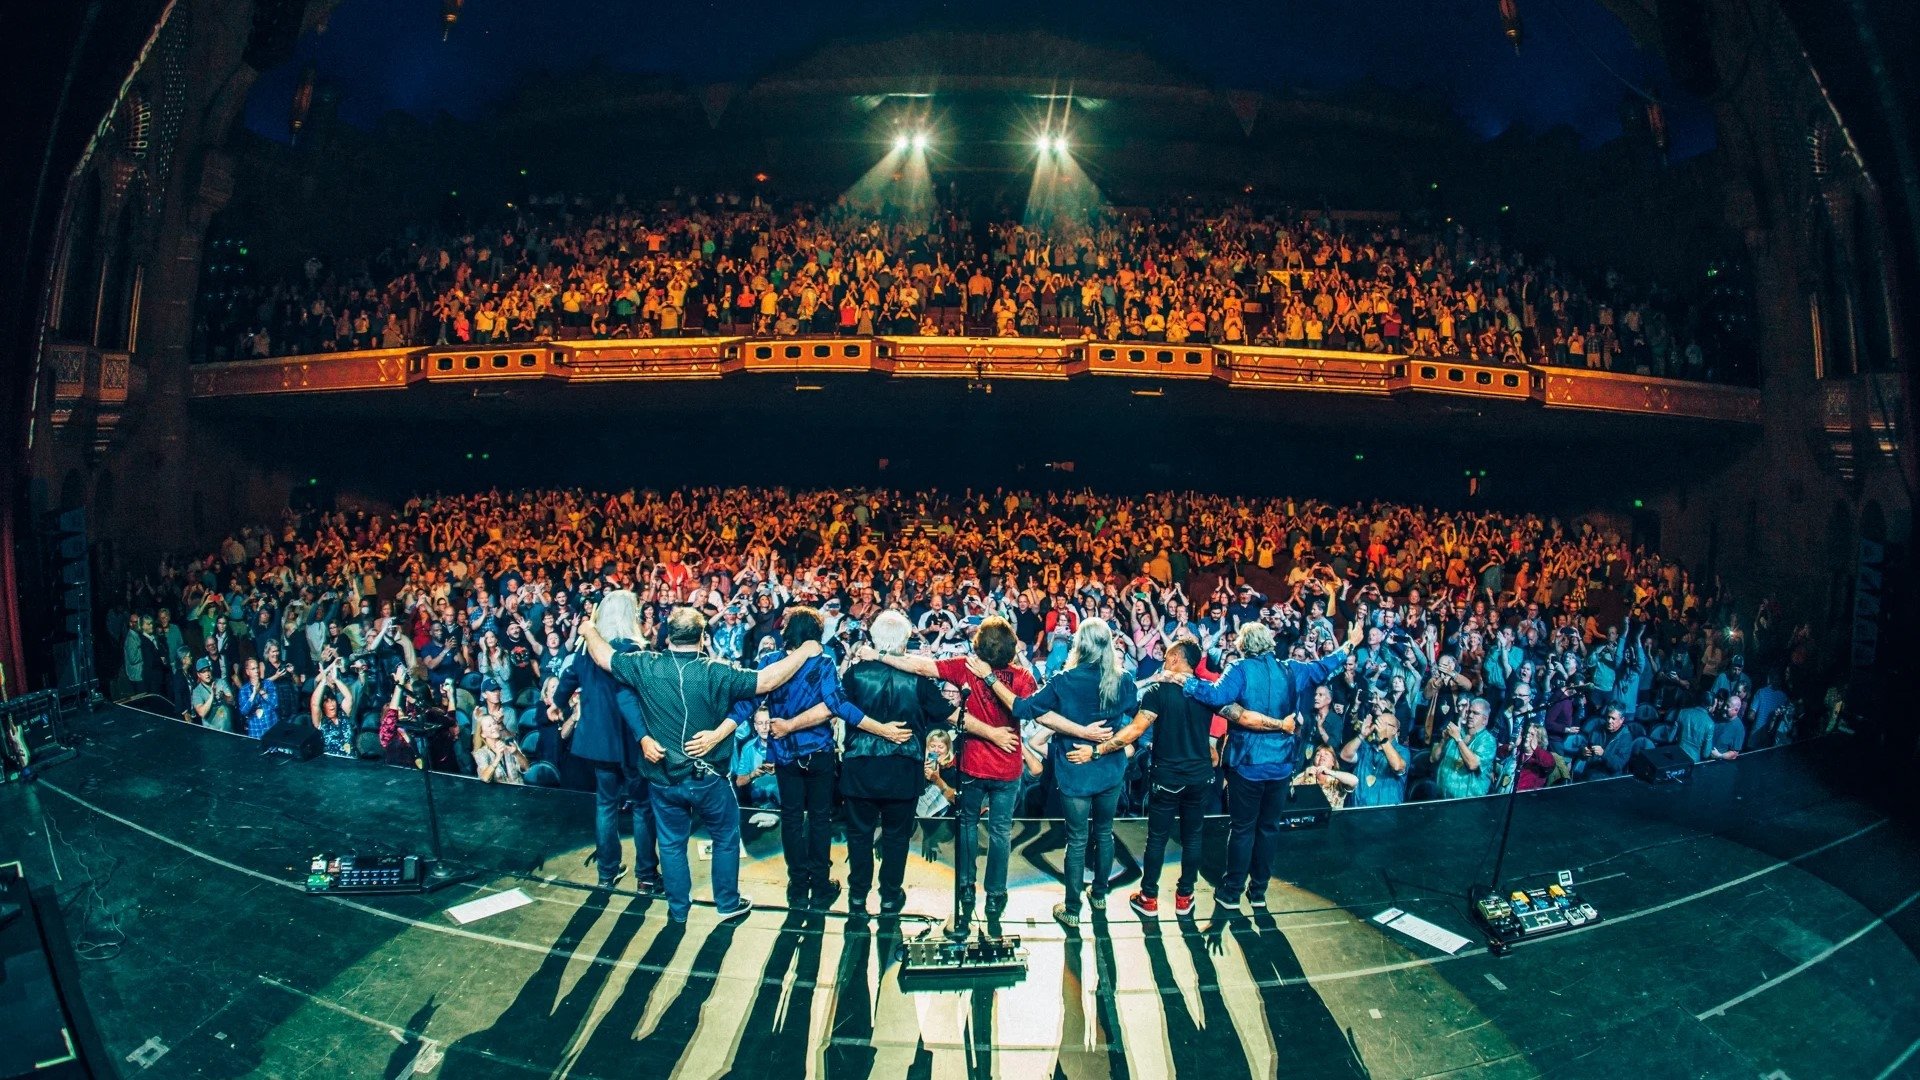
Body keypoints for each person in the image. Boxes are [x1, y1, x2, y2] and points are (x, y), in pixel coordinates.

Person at [578, 605, 820, 925]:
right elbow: (768, 679)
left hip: (664, 778)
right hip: (708, 779)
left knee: (671, 843)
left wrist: (587, 630)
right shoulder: (716, 671)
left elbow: (602, 656)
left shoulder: (644, 665)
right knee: (724, 836)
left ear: (667, 638)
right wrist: (804, 650)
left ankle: (678, 910)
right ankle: (727, 903)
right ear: (704, 638)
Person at [1170, 618, 1361, 910]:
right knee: (1269, 828)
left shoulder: (1240, 668)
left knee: (1243, 828)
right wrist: (1350, 643)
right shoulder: (1292, 669)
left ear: (1244, 645)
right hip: (1282, 765)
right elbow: (1326, 665)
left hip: (1247, 764)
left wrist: (1184, 680)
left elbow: (1216, 695)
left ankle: (1232, 892)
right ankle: (1258, 892)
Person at [868, 616, 1040, 933]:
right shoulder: (1023, 677)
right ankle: (996, 896)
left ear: (979, 646)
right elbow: (1025, 709)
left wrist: (879, 655)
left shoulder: (965, 666)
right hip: (1007, 766)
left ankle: (965, 888)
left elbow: (921, 667)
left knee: (967, 827)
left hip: (973, 765)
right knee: (1001, 833)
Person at [971, 618, 1130, 930]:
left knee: (1077, 838)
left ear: (1079, 645)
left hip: (1075, 770)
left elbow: (1021, 708)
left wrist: (990, 680)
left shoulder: (1065, 680)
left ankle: (1072, 908)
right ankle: (1099, 893)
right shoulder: (1121, 680)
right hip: (1109, 767)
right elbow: (1128, 713)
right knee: (1104, 832)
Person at [730, 605, 877, 910]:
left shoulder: (771, 661)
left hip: (785, 753)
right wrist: (880, 729)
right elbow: (838, 705)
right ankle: (820, 884)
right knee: (820, 818)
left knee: (793, 818)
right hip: (818, 751)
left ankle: (798, 886)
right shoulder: (823, 662)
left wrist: (723, 727)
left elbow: (751, 701)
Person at [839, 609, 955, 917]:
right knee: (896, 837)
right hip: (902, 769)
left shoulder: (855, 674)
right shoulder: (917, 679)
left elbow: (838, 707)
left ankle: (857, 896)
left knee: (859, 836)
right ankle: (890, 896)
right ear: (904, 642)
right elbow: (945, 711)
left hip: (860, 766)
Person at [1089, 638, 1215, 919]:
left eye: (1167, 656)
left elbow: (1135, 730)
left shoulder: (1158, 692)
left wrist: (1098, 750)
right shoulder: (1207, 692)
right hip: (1199, 776)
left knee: (1157, 838)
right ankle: (1185, 897)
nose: (1163, 660)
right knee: (1193, 837)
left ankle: (1149, 898)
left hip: (1168, 777)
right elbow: (1239, 716)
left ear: (1174, 659)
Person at [553, 590, 659, 893]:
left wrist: (558, 704)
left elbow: (567, 680)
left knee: (606, 804)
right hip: (632, 739)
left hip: (599, 741)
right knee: (641, 806)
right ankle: (646, 876)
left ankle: (606, 873)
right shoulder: (637, 650)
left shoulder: (587, 650)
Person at [1341, 707, 1410, 806]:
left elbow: (1398, 766)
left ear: (1394, 730)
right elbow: (1345, 756)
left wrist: (1383, 740)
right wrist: (1362, 735)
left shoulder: (1402, 751)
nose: (1378, 727)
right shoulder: (1366, 747)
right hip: (1357, 812)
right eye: (1377, 723)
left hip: (1385, 814)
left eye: (1382, 724)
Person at [1432, 697, 1497, 799]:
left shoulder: (1488, 741)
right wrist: (1443, 741)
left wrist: (1458, 739)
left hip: (1467, 804)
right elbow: (1433, 758)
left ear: (1485, 720)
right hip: (1441, 798)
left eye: (1475, 713)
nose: (1470, 716)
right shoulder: (1457, 732)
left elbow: (1473, 764)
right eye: (1469, 712)